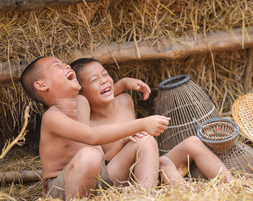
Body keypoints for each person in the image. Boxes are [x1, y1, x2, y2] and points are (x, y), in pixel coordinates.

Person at [20, 56, 170, 201]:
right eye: (57, 65)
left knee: (144, 140)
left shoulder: (82, 101)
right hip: (62, 187)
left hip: (99, 174)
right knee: (90, 155)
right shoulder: (52, 117)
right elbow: (92, 136)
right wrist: (141, 124)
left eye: (64, 63)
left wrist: (123, 84)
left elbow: (99, 94)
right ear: (41, 85)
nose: (66, 65)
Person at [70, 58, 234, 186]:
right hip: (122, 179)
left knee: (193, 143)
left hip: (148, 167)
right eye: (94, 80)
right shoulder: (89, 123)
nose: (104, 80)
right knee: (147, 146)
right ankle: (147, 197)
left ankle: (232, 184)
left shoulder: (125, 101)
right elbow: (100, 164)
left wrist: (124, 82)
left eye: (105, 74)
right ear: (81, 94)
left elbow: (108, 94)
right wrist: (122, 143)